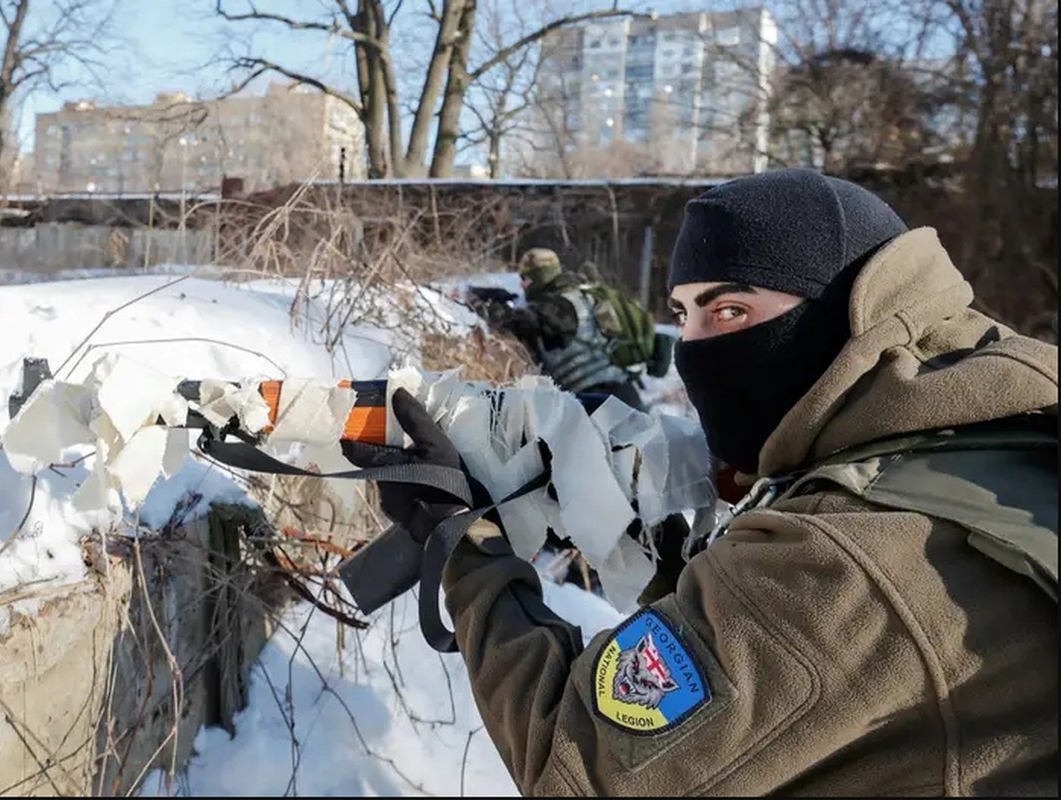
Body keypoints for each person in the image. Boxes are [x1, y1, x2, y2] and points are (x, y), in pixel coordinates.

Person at [345, 168, 1058, 796]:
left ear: (848, 311)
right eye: (684, 315)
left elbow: (575, 766)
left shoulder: (840, 559)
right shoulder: (989, 421)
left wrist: (466, 541)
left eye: (730, 310)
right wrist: (675, 562)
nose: (695, 350)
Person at [470, 248, 658, 412]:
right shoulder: (575, 296)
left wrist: (483, 310)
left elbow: (522, 320)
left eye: (525, 278)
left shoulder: (559, 308)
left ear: (540, 276)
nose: (521, 284)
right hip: (620, 396)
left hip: (601, 402)